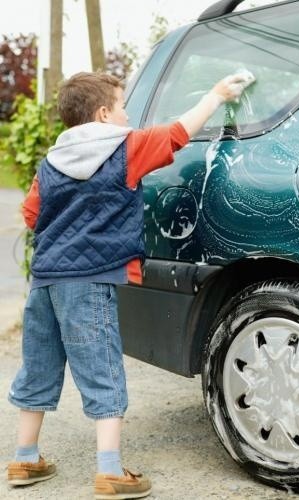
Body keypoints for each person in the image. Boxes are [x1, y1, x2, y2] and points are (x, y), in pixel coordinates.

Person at [6, 70, 254, 499]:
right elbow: (178, 133)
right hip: (89, 280)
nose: (127, 115)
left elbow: (31, 216)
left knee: (38, 366)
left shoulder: (51, 162)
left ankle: (25, 458)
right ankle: (110, 470)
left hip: (45, 282)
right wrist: (216, 93)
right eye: (122, 106)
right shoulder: (126, 148)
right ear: (103, 113)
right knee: (102, 367)